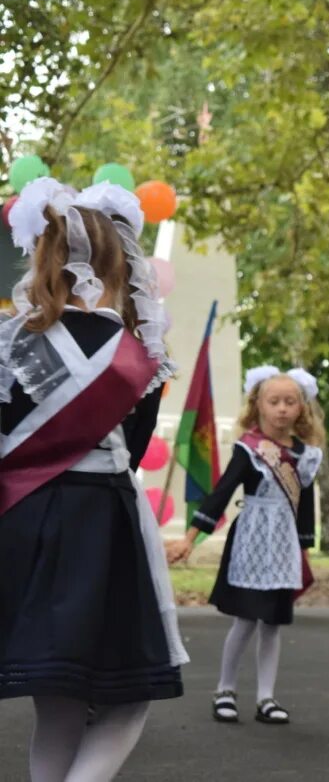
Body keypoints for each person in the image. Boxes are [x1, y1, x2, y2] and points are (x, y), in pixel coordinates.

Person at [0, 178, 186, 781]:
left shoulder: (9, 344)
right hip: (100, 523)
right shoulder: (138, 352)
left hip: (24, 522)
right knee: (128, 696)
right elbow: (130, 452)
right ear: (121, 266)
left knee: (55, 706)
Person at [165, 366, 325, 726]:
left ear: (301, 408)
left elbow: (306, 507)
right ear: (258, 406)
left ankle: (266, 697)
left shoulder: (306, 455)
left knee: (273, 624)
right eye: (274, 401)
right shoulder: (248, 449)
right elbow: (221, 493)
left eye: (290, 402)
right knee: (246, 620)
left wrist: (304, 550)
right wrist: (191, 538)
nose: (282, 408)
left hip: (283, 546)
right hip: (252, 540)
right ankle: (225, 689)